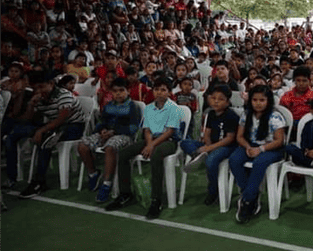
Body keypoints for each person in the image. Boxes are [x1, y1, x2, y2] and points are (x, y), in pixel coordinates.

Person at [105, 77, 183, 219]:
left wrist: (152, 146)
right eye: (156, 89)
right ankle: (125, 193)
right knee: (123, 154)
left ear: (170, 93)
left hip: (169, 141)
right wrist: (149, 144)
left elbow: (169, 132)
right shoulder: (149, 108)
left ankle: (156, 200)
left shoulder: (174, 108)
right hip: (151, 139)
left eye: (163, 90)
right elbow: (146, 130)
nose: (159, 92)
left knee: (156, 154)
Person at [16, 70, 86, 198]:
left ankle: (39, 182)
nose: (38, 90)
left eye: (41, 86)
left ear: (51, 84)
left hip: (74, 126)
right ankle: (28, 177)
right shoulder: (38, 97)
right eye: (35, 87)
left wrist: (41, 130)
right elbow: (27, 119)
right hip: (56, 126)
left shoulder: (63, 94)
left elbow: (62, 119)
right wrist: (31, 105)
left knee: (46, 141)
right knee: (22, 131)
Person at [77, 77, 141, 203]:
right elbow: (102, 122)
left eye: (121, 90)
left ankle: (107, 183)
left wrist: (114, 131)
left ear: (128, 91)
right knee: (82, 146)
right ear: (111, 92)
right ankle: (93, 173)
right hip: (106, 133)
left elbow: (133, 128)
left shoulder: (132, 107)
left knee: (110, 147)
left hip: (124, 136)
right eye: (115, 91)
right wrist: (102, 131)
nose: (118, 94)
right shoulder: (108, 106)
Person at [230, 85, 286, 223]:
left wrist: (260, 149)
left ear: (268, 101)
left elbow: (279, 141)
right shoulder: (246, 114)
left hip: (271, 149)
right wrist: (248, 147)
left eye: (262, 100)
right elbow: (239, 137)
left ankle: (247, 201)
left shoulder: (275, 116)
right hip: (250, 145)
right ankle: (251, 194)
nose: (258, 103)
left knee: (259, 163)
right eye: (255, 100)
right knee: (234, 159)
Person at [181, 84, 239, 205]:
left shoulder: (231, 116)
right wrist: (208, 146)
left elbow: (229, 139)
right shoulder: (211, 114)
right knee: (185, 142)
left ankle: (213, 191)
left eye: (221, 99)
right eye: (214, 98)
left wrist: (209, 148)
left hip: (227, 147)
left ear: (228, 102)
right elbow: (207, 133)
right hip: (211, 145)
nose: (216, 101)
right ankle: (196, 155)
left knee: (211, 161)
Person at [280, 65, 313, 131]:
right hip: (291, 127)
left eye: (304, 81)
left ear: (309, 81)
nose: (301, 83)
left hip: (310, 126)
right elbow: (282, 114)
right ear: (294, 81)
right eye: (298, 80)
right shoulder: (287, 95)